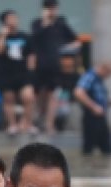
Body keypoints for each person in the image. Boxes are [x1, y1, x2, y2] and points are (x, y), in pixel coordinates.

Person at [28, 1, 80, 134]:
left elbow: (76, 41)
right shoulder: (37, 23)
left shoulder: (61, 25)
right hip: (40, 66)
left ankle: (49, 124)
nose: (51, 11)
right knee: (38, 94)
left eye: (53, 8)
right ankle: (37, 119)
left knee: (53, 94)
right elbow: (33, 40)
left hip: (55, 65)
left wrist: (65, 49)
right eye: (48, 8)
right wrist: (45, 23)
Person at [0, 9, 36, 136]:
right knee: (9, 99)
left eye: (15, 18)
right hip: (6, 73)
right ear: (4, 21)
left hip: (23, 73)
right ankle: (12, 125)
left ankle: (27, 123)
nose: (14, 20)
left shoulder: (25, 36)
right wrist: (3, 35)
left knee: (28, 97)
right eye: (10, 18)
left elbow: (31, 55)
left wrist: (31, 72)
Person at [73, 61, 111, 157]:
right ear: (103, 69)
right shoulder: (90, 77)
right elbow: (78, 92)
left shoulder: (99, 80)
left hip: (101, 118)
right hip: (91, 118)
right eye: (109, 74)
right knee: (89, 149)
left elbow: (99, 99)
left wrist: (109, 102)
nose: (108, 77)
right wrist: (93, 107)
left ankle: (100, 169)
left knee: (107, 149)